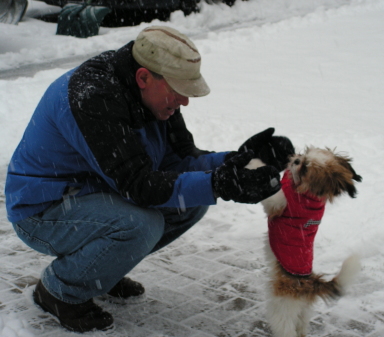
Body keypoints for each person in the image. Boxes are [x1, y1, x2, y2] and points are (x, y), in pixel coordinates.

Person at [5, 26, 294, 333]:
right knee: (142, 224)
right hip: (41, 209)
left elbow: (182, 161)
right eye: (179, 89)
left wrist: (240, 160)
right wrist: (219, 183)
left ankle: (99, 271)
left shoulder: (154, 95)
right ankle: (59, 291)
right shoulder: (93, 97)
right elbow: (139, 186)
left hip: (95, 194)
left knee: (189, 203)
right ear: (144, 77)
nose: (184, 100)